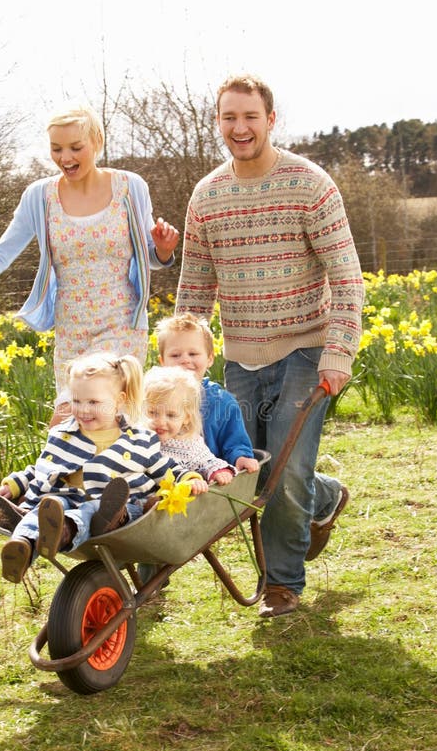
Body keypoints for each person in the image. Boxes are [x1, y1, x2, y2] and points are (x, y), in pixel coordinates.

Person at [175, 73, 365, 619]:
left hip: (306, 350)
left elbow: (347, 276)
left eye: (250, 117)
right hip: (240, 356)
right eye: (229, 118)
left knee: (282, 472)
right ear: (219, 123)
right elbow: (195, 285)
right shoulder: (207, 196)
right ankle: (325, 497)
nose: (240, 128)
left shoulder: (310, 184)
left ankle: (282, 584)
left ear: (270, 120)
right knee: (255, 474)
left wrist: (338, 352)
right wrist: (180, 364)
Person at [0, 104, 179, 424]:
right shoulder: (39, 197)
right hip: (71, 329)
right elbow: (1, 252)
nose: (65, 157)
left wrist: (164, 249)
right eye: (56, 149)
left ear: (97, 142)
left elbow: (150, 256)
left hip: (121, 324)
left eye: (75, 147)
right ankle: (78, 475)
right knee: (76, 424)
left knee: (90, 415)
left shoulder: (129, 188)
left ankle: (89, 474)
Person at [0, 351, 208, 583]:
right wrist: (16, 483)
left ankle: (63, 531)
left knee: (91, 509)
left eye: (93, 402)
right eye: (76, 400)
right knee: (47, 507)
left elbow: (164, 469)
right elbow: (44, 467)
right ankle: (21, 546)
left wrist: (189, 478)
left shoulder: (138, 439)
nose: (83, 409)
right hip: (67, 496)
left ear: (119, 401)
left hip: (120, 509)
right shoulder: (64, 434)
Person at [154, 312, 259, 473]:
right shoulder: (154, 397)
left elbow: (234, 441)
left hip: (209, 476)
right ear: (162, 361)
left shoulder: (221, 402)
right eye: (175, 355)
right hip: (161, 475)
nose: (185, 360)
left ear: (210, 359)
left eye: (193, 354)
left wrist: (240, 457)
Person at [143, 366, 236, 485]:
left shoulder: (188, 444)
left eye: (171, 415)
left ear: (186, 418)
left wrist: (218, 472)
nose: (161, 422)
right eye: (153, 413)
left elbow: (207, 462)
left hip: (179, 497)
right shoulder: (139, 438)